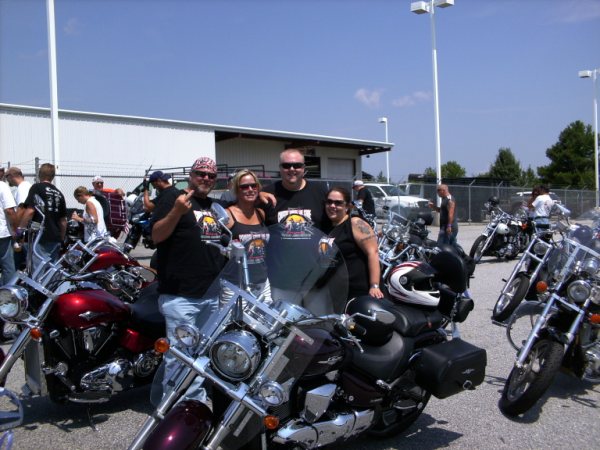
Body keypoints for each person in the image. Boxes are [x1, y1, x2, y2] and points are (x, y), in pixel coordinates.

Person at [151, 156, 226, 400]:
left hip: (210, 294)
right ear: (190, 176)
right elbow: (156, 236)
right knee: (180, 357)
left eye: (211, 175)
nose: (206, 178)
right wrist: (176, 211)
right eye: (200, 173)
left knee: (202, 356)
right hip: (181, 295)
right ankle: (175, 409)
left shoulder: (213, 207)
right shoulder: (173, 198)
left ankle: (196, 406)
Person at [325, 187, 383, 301]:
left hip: (361, 292)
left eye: (338, 203)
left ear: (347, 207)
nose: (332, 206)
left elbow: (373, 252)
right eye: (329, 202)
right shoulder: (328, 227)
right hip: (339, 291)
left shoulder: (355, 223)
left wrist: (374, 286)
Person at [222, 169, 271, 302]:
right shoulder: (228, 215)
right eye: (244, 187)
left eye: (253, 186)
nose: (250, 189)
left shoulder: (261, 213)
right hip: (235, 284)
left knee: (265, 316)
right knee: (235, 317)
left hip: (262, 283)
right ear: (236, 190)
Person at [262, 148, 329, 230]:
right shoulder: (267, 195)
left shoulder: (320, 192)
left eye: (297, 165)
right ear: (280, 168)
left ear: (303, 168)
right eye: (286, 166)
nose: (292, 169)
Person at [18, 163, 67, 271]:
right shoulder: (59, 193)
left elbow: (30, 211)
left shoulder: (37, 188)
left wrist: (20, 230)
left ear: (39, 174)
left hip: (40, 237)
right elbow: (63, 221)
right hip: (55, 237)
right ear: (53, 176)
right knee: (51, 271)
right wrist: (61, 239)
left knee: (37, 272)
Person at [0, 179, 17, 285]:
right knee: (8, 267)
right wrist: (15, 229)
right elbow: (10, 210)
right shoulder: (2, 186)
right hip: (2, 234)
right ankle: (8, 293)